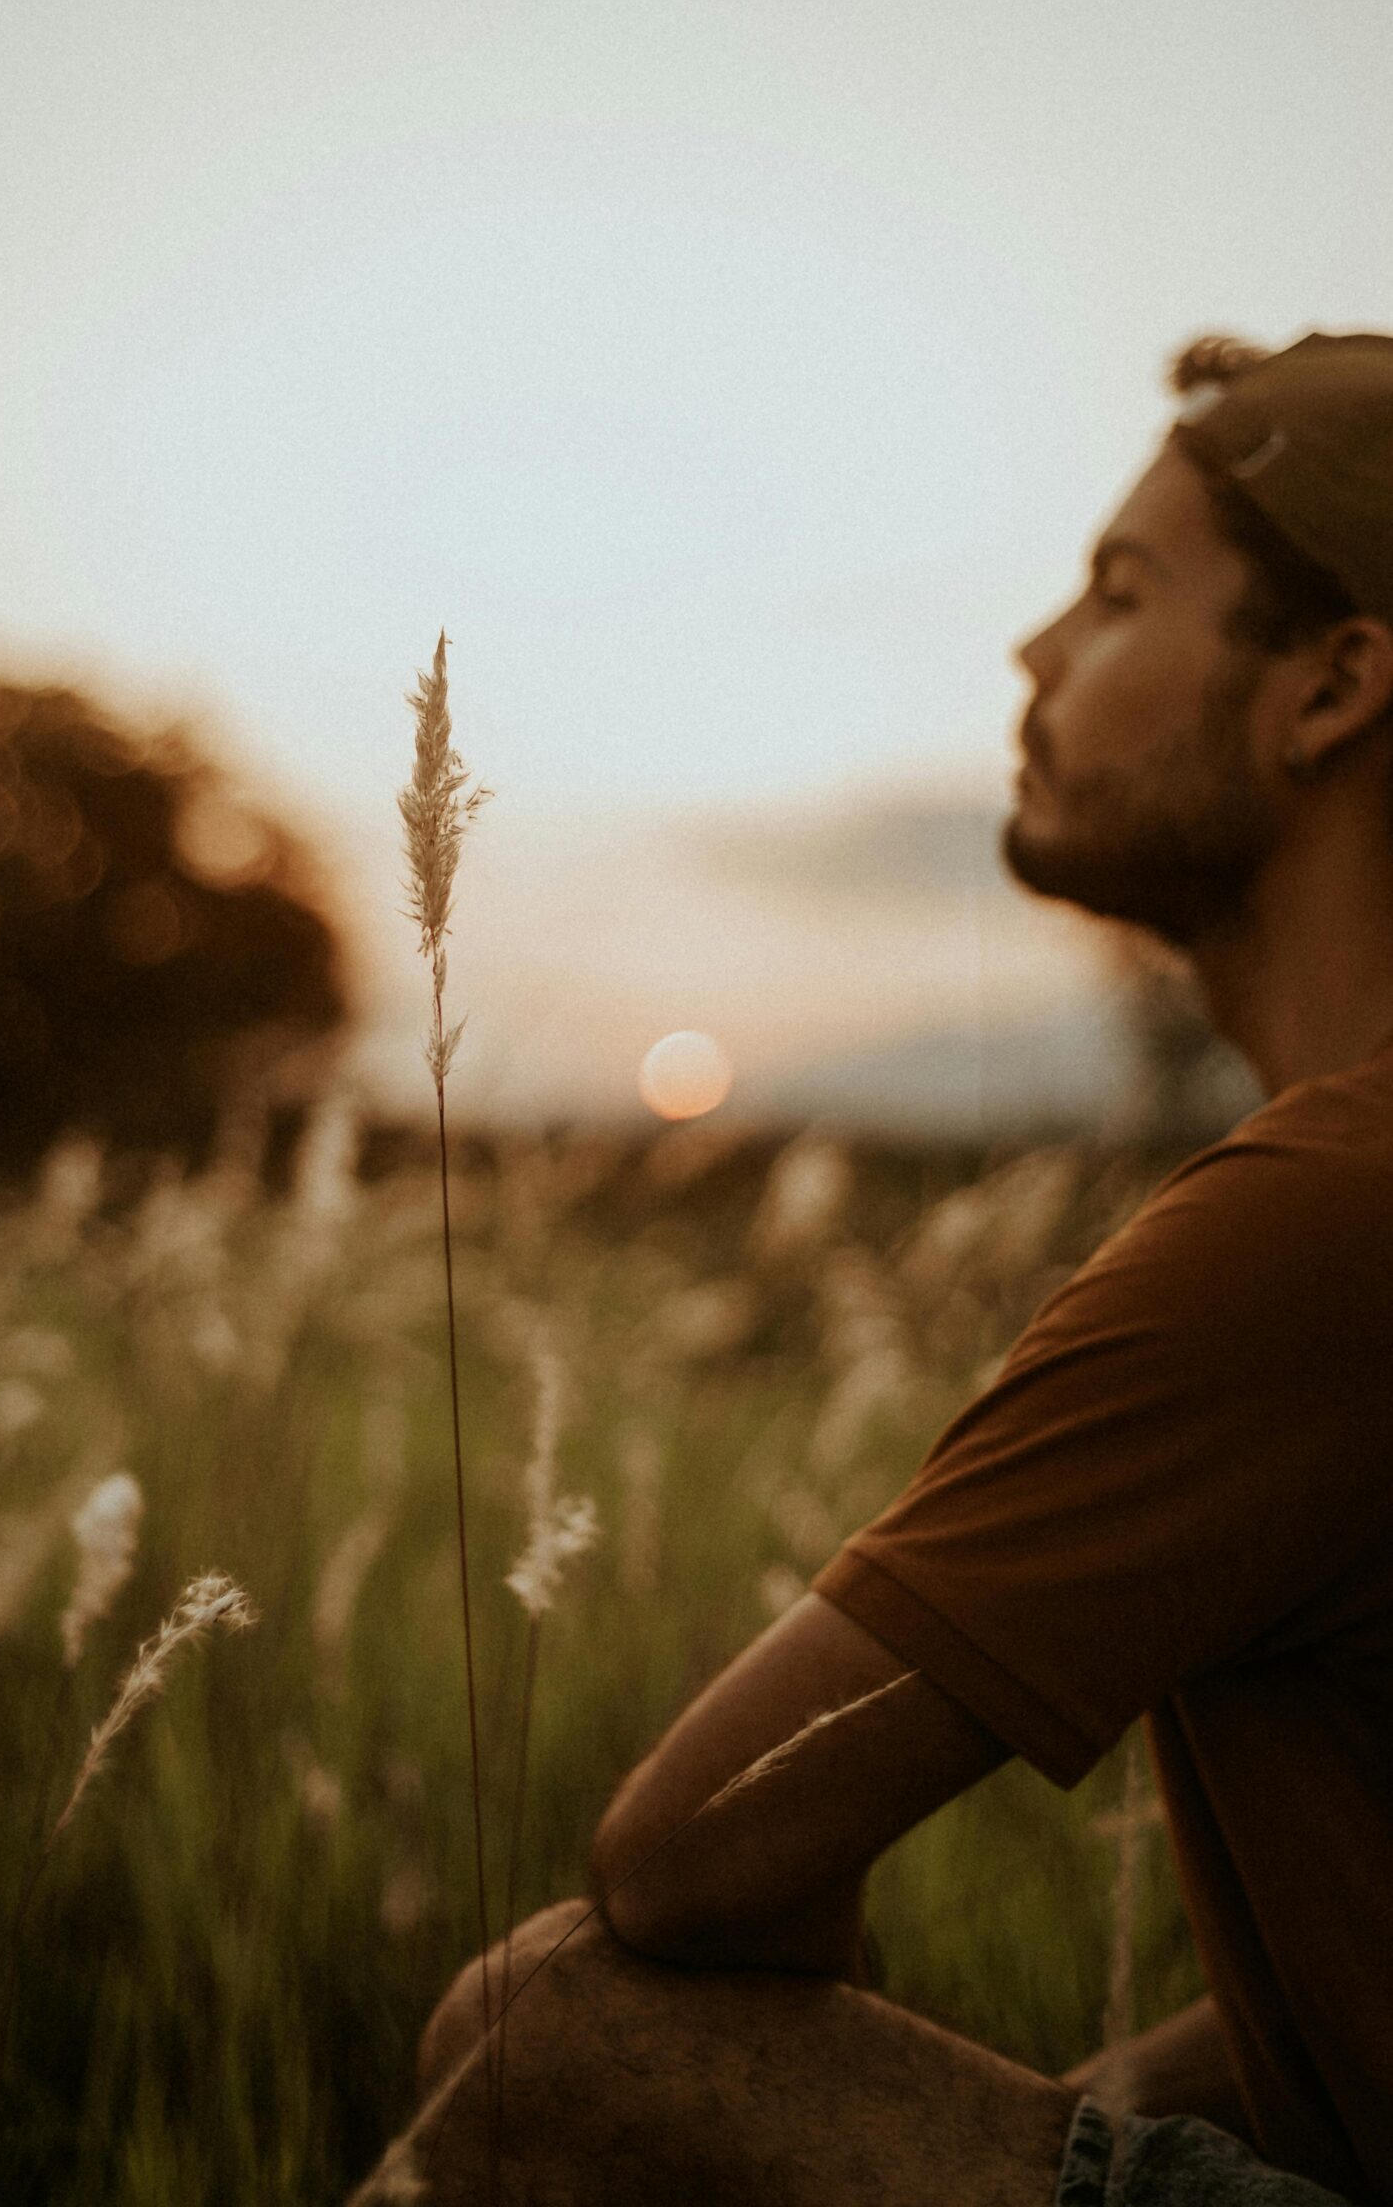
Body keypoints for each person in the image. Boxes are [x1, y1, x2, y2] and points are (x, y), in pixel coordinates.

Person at [356, 330, 1393, 2207]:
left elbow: (693, 1858)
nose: (1033, 653)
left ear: (1328, 691)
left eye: (1117, 591)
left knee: (562, 2034)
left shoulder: (1322, 1218)